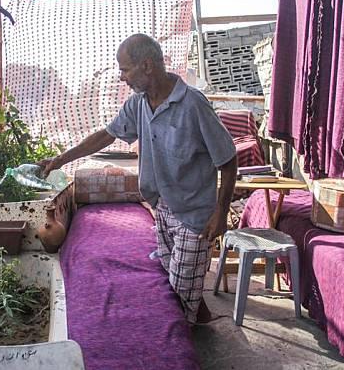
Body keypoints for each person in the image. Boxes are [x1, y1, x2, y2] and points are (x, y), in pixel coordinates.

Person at [38, 33, 237, 324]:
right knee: (174, 281)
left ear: (146, 66)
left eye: (125, 69)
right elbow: (106, 135)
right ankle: (203, 321)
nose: (122, 77)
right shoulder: (139, 104)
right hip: (163, 207)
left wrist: (221, 211)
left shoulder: (193, 104)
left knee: (177, 299)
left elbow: (228, 159)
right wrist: (60, 160)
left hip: (195, 215)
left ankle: (178, 348)